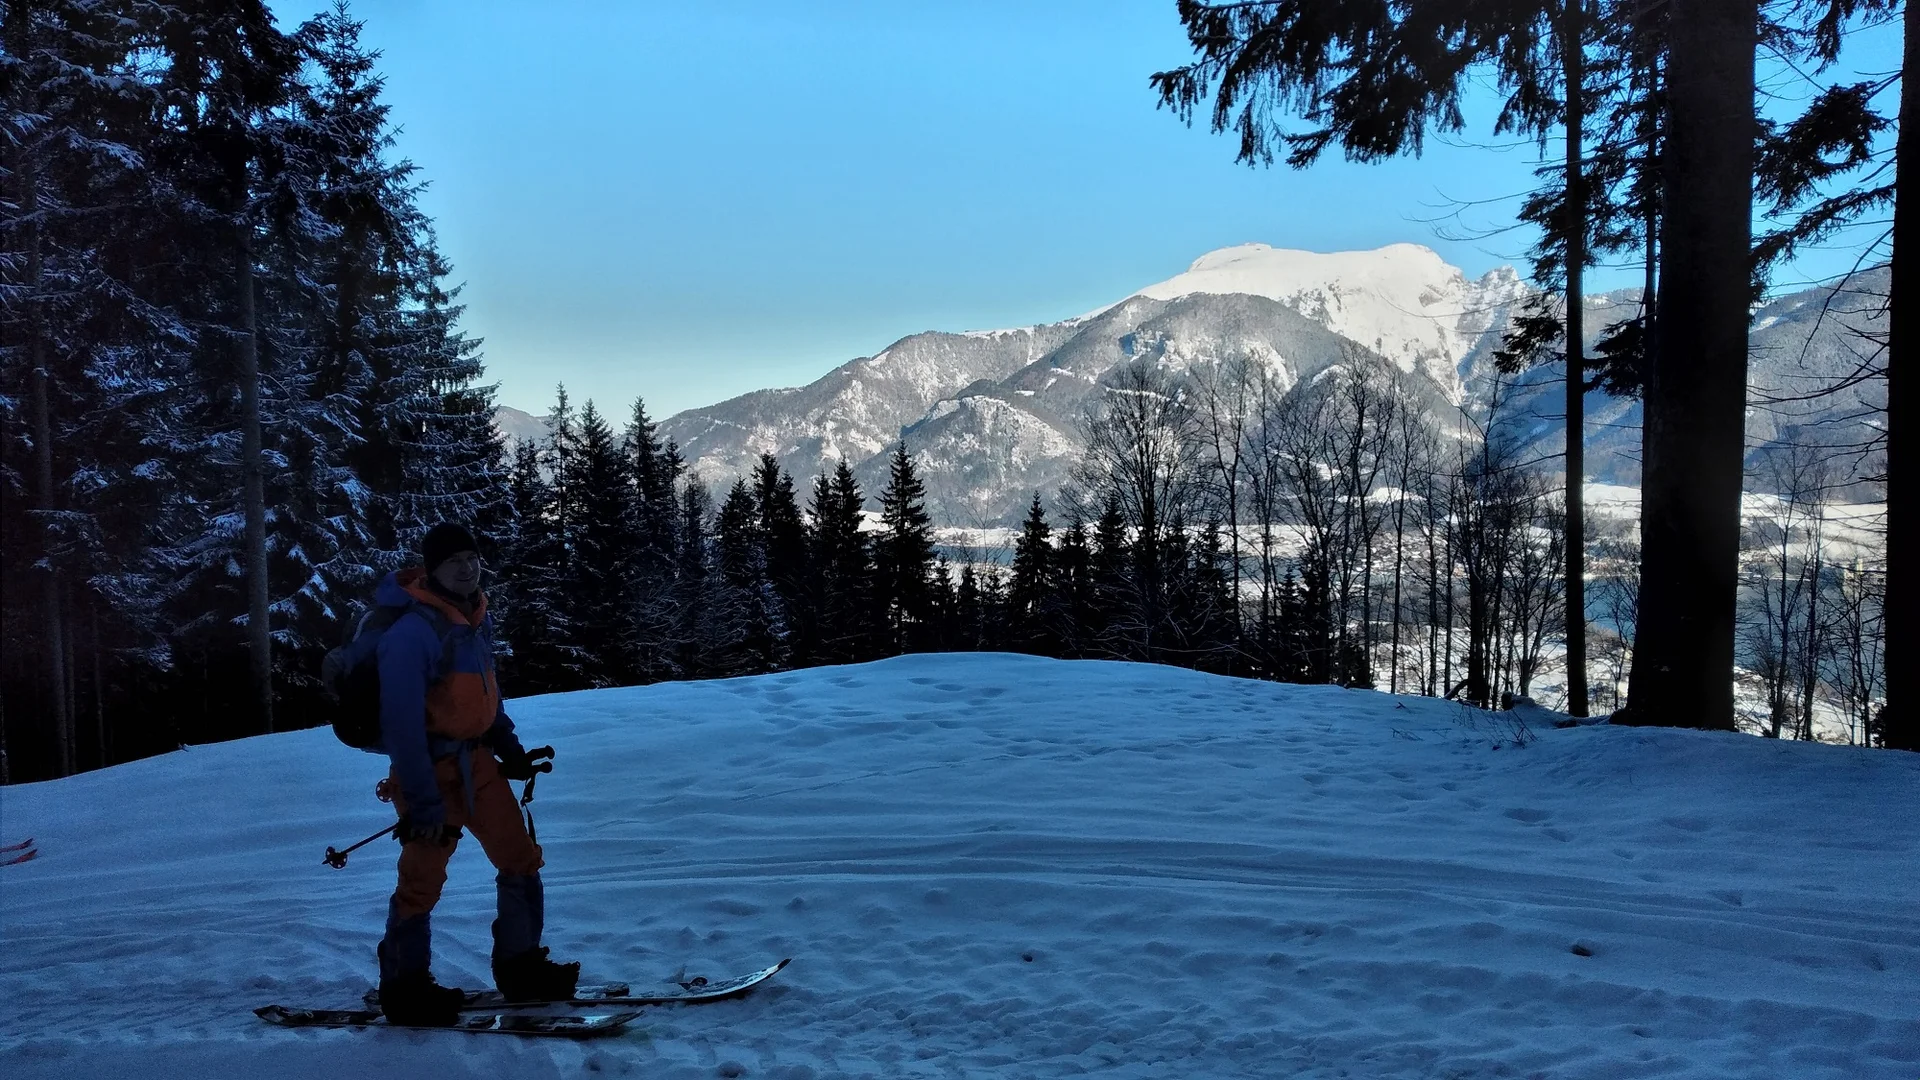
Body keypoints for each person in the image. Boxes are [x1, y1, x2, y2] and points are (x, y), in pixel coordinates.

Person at [373, 522, 579, 1025]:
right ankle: (404, 989)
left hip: (480, 764)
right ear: (433, 570)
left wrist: (510, 750)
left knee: (520, 859)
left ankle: (521, 968)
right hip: (427, 772)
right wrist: (421, 800)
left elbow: (489, 697)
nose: (467, 567)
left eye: (472, 557)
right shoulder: (412, 633)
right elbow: (400, 726)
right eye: (454, 561)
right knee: (421, 882)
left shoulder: (473, 619)